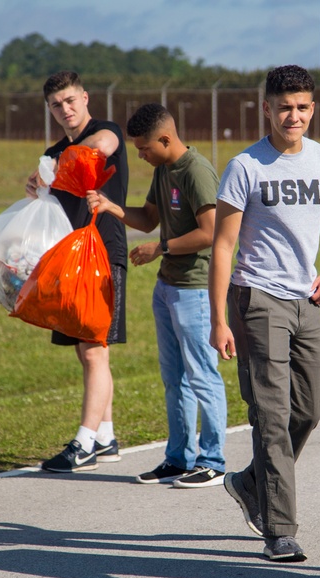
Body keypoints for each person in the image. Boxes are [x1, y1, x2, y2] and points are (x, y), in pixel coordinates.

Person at [210, 65, 320, 562]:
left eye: (303, 107)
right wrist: (219, 318)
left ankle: (252, 483)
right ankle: (280, 529)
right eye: (284, 107)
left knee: (308, 410)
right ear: (266, 108)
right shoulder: (246, 166)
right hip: (256, 300)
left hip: (306, 300)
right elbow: (223, 246)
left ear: (313, 109)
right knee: (271, 416)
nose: (293, 116)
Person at [86, 103, 228, 489]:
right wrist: (111, 207)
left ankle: (213, 461)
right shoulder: (164, 169)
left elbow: (211, 232)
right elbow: (149, 218)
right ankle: (179, 459)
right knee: (174, 379)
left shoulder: (196, 171)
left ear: (166, 139)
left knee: (202, 375)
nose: (141, 156)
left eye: (145, 149)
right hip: (166, 288)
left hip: (195, 290)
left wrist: (159, 248)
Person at [25, 71, 129, 473]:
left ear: (85, 98)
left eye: (70, 100)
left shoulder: (106, 131)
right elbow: (46, 190)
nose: (65, 110)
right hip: (70, 257)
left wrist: (55, 163)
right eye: (56, 104)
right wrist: (36, 184)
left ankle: (83, 443)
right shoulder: (52, 152)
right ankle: (106, 437)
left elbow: (101, 146)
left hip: (103, 252)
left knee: (94, 349)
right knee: (87, 353)